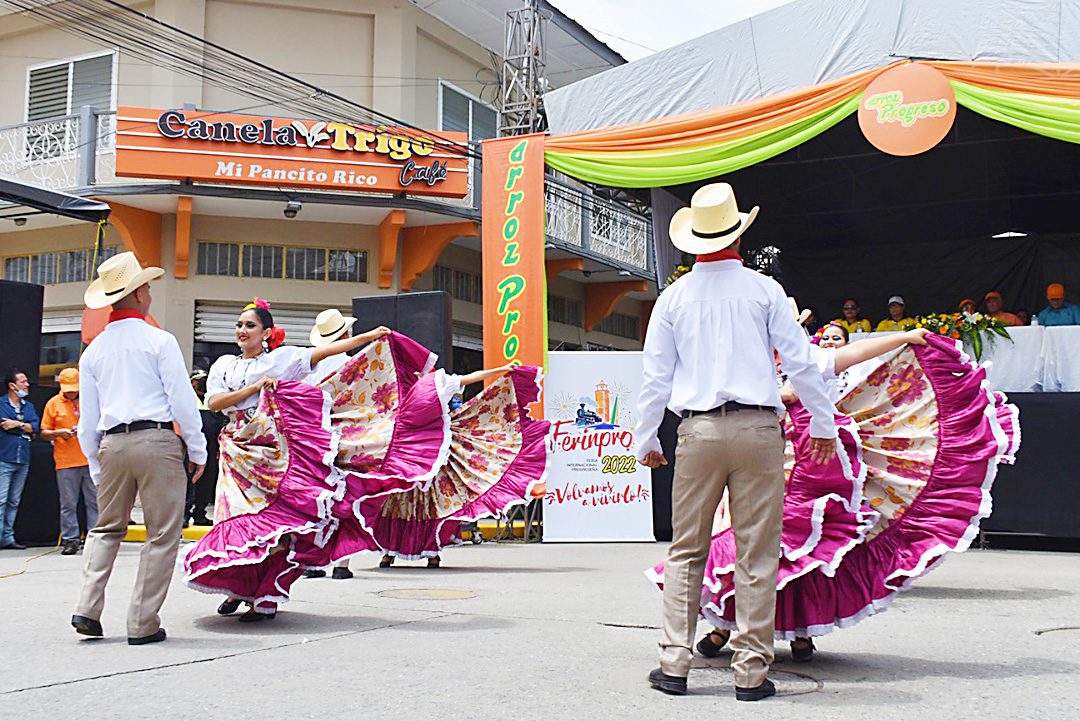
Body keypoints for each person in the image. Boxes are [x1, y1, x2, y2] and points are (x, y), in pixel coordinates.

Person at [653, 321, 1019, 664]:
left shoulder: (808, 359)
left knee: (797, 547)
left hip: (812, 460)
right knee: (744, 544)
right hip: (755, 452)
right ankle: (723, 627)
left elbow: (857, 355)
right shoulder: (746, 360)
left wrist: (905, 337)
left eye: (834, 338)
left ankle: (797, 630)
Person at [635, 183, 837, 702]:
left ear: (694, 241)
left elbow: (655, 377)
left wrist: (645, 438)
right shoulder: (764, 291)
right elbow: (800, 361)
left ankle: (674, 664)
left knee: (686, 549)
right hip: (758, 429)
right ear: (738, 235)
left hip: (698, 431)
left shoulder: (673, 297)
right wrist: (822, 421)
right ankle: (750, 671)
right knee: (757, 550)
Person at [204, 298, 389, 621]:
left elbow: (324, 352)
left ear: (266, 333)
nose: (242, 330)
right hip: (235, 452)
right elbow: (216, 402)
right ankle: (238, 588)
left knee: (272, 525)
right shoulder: (223, 365)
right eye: (239, 324)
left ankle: (263, 596)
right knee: (233, 520)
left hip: (271, 454)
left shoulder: (281, 359)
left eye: (250, 325)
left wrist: (367, 337)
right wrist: (256, 388)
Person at [72, 251, 207, 645]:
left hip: (111, 443)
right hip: (157, 440)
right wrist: (196, 448)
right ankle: (141, 622)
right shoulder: (158, 340)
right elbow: (183, 400)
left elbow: (87, 418)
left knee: (105, 529)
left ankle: (87, 607)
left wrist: (97, 463)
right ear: (140, 294)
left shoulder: (93, 351)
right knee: (162, 534)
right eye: (146, 286)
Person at [372, 362, 538, 570]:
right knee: (404, 500)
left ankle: (419, 552)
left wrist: (502, 369)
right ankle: (395, 552)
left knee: (423, 502)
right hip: (409, 452)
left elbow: (471, 377)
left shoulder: (432, 382)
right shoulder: (404, 384)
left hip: (425, 451)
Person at [301, 308, 358, 581]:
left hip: (316, 438)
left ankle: (313, 561)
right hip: (348, 436)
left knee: (319, 497)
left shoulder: (310, 368)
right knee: (345, 497)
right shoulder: (354, 364)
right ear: (346, 334)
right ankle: (341, 563)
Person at [40, 368, 97, 555]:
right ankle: (70, 539)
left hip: (89, 459)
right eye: (69, 388)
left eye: (75, 388)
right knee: (68, 503)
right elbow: (43, 432)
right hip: (65, 461)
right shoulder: (53, 404)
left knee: (94, 501)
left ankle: (94, 538)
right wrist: (59, 433)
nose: (72, 392)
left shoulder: (89, 401)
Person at [0, 368, 39, 550]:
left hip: (22, 458)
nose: (27, 385)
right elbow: (3, 426)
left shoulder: (28, 406)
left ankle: (8, 537)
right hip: (4, 457)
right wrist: (24, 428)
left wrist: (17, 424)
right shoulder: (1, 405)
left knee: (14, 501)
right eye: (23, 382)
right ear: (12, 386)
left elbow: (35, 426)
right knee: (1, 499)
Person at [184, 370, 221, 527]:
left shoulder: (213, 400)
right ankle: (184, 514)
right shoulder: (187, 399)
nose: (203, 384)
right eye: (199, 381)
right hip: (190, 448)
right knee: (188, 482)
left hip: (211, 448)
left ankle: (200, 513)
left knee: (207, 482)